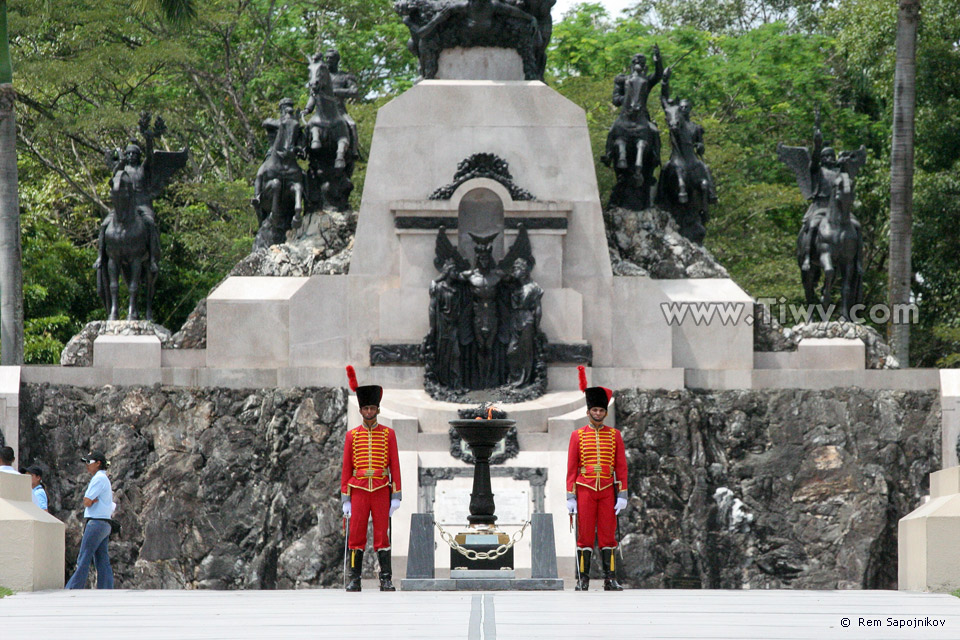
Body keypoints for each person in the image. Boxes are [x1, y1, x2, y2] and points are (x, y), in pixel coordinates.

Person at [566, 366, 627, 591]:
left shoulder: (615, 435)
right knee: (584, 535)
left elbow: (621, 467)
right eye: (595, 410)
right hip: (584, 489)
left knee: (607, 535)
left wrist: (622, 494)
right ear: (588, 412)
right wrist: (570, 496)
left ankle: (610, 579)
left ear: (605, 412)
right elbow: (572, 468)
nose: (598, 413)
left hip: (607, 490)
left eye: (602, 410)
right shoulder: (577, 435)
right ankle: (583, 579)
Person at [341, 366, 402, 592]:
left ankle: (385, 578)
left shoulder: (388, 434)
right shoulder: (351, 436)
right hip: (357, 490)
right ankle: (354, 578)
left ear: (377, 409)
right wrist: (345, 498)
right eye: (365, 408)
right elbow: (347, 468)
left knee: (381, 537)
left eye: (372, 408)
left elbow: (394, 465)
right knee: (356, 535)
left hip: (380, 489)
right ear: (361, 410)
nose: (369, 411)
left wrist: (396, 496)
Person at [65, 451, 115, 589]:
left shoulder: (98, 478)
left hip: (96, 522)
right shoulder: (105, 478)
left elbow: (86, 501)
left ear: (98, 463)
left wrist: (91, 501)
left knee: (84, 556)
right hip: (105, 523)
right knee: (102, 559)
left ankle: (73, 587)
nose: (87, 466)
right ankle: (106, 587)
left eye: (89, 462)